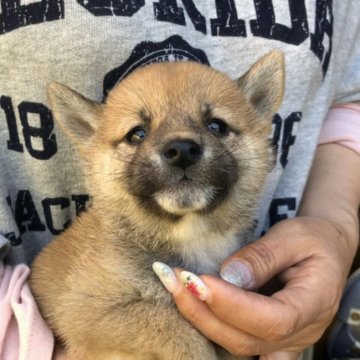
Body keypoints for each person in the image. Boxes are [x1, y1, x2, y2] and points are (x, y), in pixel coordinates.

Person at [0, 1, 359, 359]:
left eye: (217, 126)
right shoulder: (110, 257)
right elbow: (82, 310)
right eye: (137, 134)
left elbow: (350, 98)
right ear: (88, 136)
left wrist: (335, 228)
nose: (180, 145)